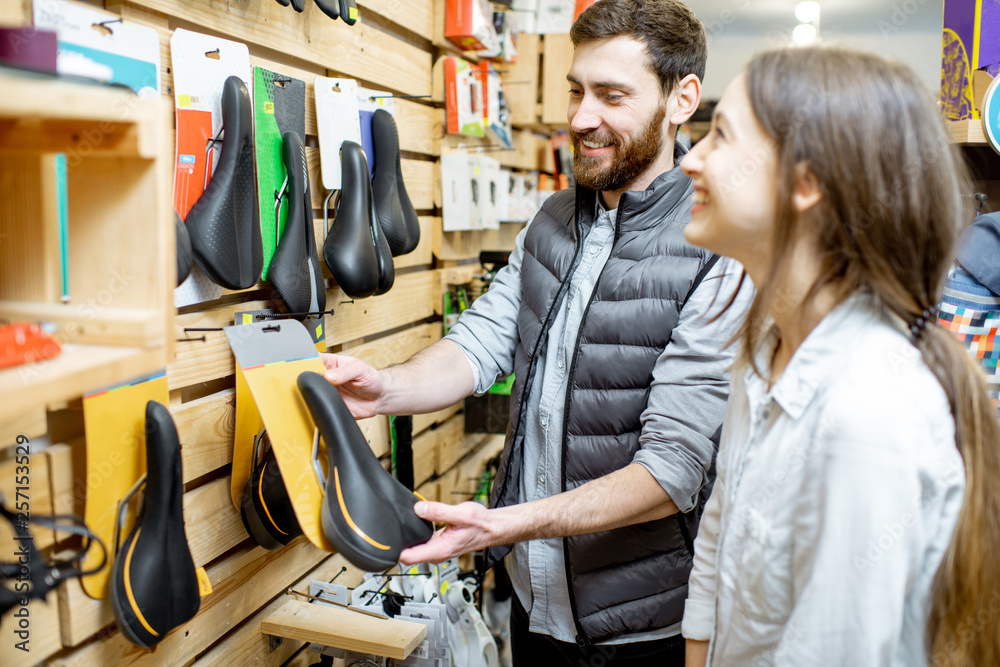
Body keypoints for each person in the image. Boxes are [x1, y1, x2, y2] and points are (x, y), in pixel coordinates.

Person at [322, 0, 752, 664]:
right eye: (577, 90)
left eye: (612, 95)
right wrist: (384, 389)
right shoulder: (551, 218)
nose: (581, 117)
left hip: (639, 628)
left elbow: (672, 472)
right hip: (532, 602)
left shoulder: (713, 246)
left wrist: (500, 524)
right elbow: (481, 341)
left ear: (680, 99)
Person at [678, 46, 1000, 666]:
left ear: (805, 183)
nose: (691, 158)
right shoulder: (763, 357)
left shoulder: (866, 412)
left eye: (719, 135)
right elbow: (715, 556)